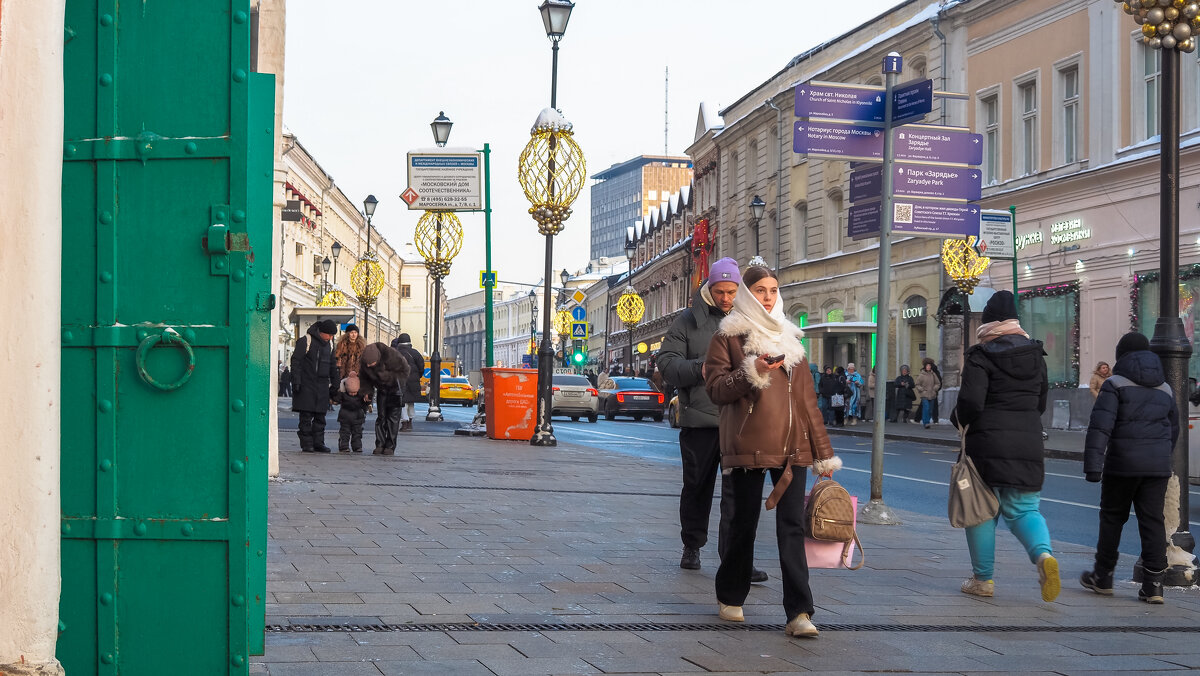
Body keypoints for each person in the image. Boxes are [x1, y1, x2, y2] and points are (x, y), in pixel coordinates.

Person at [704, 261, 842, 638]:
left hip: (792, 448)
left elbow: (808, 404)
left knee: (793, 528)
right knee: (741, 523)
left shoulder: (790, 339)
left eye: (772, 290)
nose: (767, 297)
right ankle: (731, 596)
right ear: (748, 295)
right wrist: (753, 370)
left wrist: (822, 455)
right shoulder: (728, 337)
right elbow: (716, 389)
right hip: (747, 444)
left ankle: (800, 612)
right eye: (760, 291)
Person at [658, 257, 766, 582]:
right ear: (709, 288)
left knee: (737, 495)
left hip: (740, 421)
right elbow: (666, 362)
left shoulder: (750, 320)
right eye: (720, 291)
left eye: (732, 292)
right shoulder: (689, 321)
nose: (726, 299)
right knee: (697, 487)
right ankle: (692, 545)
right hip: (700, 423)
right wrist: (701, 368)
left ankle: (735, 560)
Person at [951, 290, 1059, 602]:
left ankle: (983, 580)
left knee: (981, 511)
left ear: (987, 324)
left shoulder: (980, 356)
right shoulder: (1036, 355)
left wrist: (958, 418)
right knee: (1024, 508)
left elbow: (970, 401)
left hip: (986, 443)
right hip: (1027, 440)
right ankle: (1043, 556)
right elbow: (1040, 402)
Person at [1080, 332, 1177, 604]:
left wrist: (1093, 466)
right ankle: (1154, 585)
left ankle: (1103, 577)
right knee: (1152, 521)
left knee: (1112, 518)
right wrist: (1161, 455)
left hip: (1122, 464)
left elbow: (1101, 426)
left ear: (1121, 355)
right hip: (1156, 468)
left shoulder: (1115, 383)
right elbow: (1174, 429)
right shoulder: (1165, 388)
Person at [290, 319, 339, 453]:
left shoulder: (329, 345)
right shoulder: (306, 341)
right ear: (322, 332)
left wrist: (335, 384)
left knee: (320, 417)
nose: (331, 338)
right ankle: (307, 444)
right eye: (329, 335)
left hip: (322, 386)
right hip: (306, 384)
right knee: (306, 416)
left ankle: (318, 443)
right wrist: (296, 381)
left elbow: (333, 366)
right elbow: (296, 362)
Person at [358, 342, 411, 456]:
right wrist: (367, 391)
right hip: (382, 389)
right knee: (381, 417)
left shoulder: (391, 355)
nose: (369, 366)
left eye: (372, 364)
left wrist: (389, 379)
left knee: (392, 419)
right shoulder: (364, 361)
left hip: (395, 389)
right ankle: (379, 445)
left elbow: (405, 371)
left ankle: (390, 446)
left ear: (378, 359)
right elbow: (364, 378)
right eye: (367, 364)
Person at [391, 333, 424, 432]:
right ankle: (410, 422)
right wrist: (417, 376)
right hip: (414, 381)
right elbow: (421, 367)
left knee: (402, 403)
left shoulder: (396, 353)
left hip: (401, 381)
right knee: (411, 403)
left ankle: (404, 423)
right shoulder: (415, 353)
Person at [336, 374, 370, 453]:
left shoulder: (360, 395)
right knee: (345, 433)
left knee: (357, 433)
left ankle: (356, 446)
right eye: (351, 392)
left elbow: (366, 403)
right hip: (347, 417)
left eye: (355, 392)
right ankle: (345, 446)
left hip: (356, 417)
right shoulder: (343, 394)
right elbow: (336, 398)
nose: (353, 394)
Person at [915, 358, 942, 428]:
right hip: (924, 395)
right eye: (927, 366)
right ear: (925, 366)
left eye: (929, 366)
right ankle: (926, 422)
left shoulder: (933, 374)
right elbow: (917, 384)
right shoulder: (921, 375)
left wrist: (935, 389)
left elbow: (938, 383)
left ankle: (928, 421)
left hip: (932, 394)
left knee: (930, 410)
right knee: (926, 408)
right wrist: (921, 390)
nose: (928, 367)